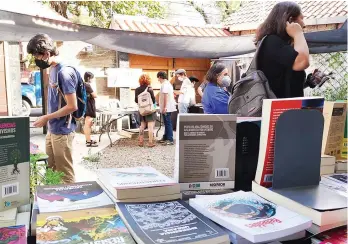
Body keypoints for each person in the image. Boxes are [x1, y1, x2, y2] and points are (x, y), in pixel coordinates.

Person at [27, 33, 77, 184]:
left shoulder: (65, 72)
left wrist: (46, 117)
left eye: (38, 57)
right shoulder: (53, 69)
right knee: (51, 171)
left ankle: (72, 205)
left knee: (65, 175)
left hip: (63, 131)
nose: (37, 61)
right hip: (53, 129)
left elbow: (72, 106)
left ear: (47, 54)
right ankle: (55, 202)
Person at [255, 1, 311, 98]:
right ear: (290, 20)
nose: (304, 24)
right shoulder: (271, 41)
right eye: (301, 18)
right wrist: (298, 34)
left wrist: (309, 82)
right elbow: (302, 62)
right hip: (277, 110)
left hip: (286, 108)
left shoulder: (282, 45)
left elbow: (285, 83)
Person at [134, 74, 157, 147]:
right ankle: (150, 143)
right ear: (148, 80)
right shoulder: (150, 89)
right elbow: (153, 101)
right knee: (150, 127)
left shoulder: (137, 89)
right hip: (149, 110)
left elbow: (136, 100)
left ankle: (140, 142)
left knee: (142, 126)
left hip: (142, 110)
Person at [157, 71, 176, 145]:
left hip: (167, 107)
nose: (158, 80)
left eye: (158, 78)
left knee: (168, 123)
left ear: (160, 77)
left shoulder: (165, 85)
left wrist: (164, 107)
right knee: (166, 122)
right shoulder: (168, 84)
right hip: (168, 107)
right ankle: (165, 137)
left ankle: (170, 139)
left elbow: (165, 96)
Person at [83, 72, 98, 147]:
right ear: (88, 78)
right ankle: (88, 141)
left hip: (86, 105)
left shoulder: (82, 85)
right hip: (88, 105)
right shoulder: (87, 85)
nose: (93, 79)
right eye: (92, 78)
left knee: (87, 123)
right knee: (88, 124)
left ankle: (88, 139)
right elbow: (95, 95)